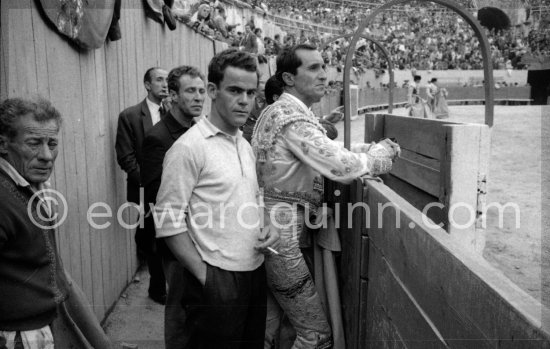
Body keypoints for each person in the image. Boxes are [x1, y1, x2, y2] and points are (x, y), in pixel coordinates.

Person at [251, 44, 400, 348]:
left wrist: (366, 149)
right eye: (313, 68)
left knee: (267, 329)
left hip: (273, 230)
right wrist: (380, 156)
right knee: (315, 336)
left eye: (324, 66)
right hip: (282, 237)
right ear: (288, 78)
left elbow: (326, 151)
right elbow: (341, 165)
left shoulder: (283, 112)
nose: (324, 75)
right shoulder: (290, 116)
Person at [154, 48, 280, 348]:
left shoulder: (243, 143)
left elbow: (253, 198)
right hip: (216, 278)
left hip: (253, 273)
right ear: (212, 90)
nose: (245, 101)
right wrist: (206, 277)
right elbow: (167, 219)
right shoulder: (189, 148)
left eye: (251, 92)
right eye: (235, 90)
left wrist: (268, 225)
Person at [0, 97, 112, 349]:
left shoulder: (31, 189)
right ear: (3, 144)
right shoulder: (4, 197)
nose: (47, 156)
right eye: (33, 143)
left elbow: (59, 276)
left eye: (52, 143)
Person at [141, 65, 207, 349]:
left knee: (200, 313)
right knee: (180, 315)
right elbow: (159, 200)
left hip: (203, 235)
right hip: (178, 240)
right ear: (174, 95)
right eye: (190, 91)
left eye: (202, 91)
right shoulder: (159, 138)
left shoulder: (197, 130)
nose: (198, 97)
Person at [115, 67, 169, 305]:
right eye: (159, 80)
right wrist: (152, 184)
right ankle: (157, 289)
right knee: (152, 241)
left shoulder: (175, 114)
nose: (165, 84)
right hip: (146, 190)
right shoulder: (130, 116)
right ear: (147, 85)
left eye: (168, 80)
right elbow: (126, 157)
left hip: (174, 190)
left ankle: (169, 286)